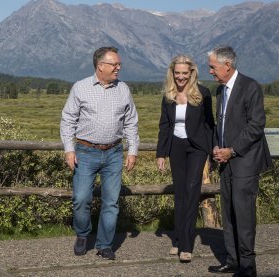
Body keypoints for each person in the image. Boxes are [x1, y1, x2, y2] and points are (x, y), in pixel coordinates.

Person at [60, 46, 140, 261]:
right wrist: (69, 150)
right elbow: (68, 120)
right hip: (85, 152)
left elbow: (131, 121)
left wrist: (132, 150)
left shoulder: (123, 89)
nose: (118, 68)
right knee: (81, 198)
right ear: (100, 66)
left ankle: (104, 244)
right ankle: (83, 234)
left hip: (114, 152)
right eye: (114, 64)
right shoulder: (81, 88)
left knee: (111, 202)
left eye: (119, 64)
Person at [207, 46, 273, 277]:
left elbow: (256, 125)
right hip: (226, 161)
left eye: (213, 67)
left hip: (245, 161)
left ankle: (248, 266)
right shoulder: (220, 90)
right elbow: (220, 124)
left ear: (227, 65)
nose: (210, 71)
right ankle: (233, 259)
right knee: (228, 212)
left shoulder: (250, 87)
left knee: (243, 214)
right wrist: (216, 146)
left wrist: (232, 150)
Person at [156, 55, 215, 263]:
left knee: (192, 191)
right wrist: (161, 153)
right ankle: (178, 237)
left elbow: (210, 124)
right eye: (177, 73)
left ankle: (186, 245)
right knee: (180, 193)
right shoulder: (168, 95)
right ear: (172, 73)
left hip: (197, 148)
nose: (181, 77)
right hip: (176, 148)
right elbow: (164, 125)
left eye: (184, 73)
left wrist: (210, 151)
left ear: (191, 73)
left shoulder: (203, 93)